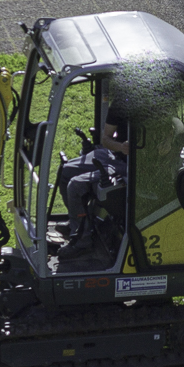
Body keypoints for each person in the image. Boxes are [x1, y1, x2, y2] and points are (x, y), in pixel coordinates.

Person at [56, 105, 129, 268]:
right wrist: (121, 147)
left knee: (75, 185)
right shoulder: (120, 105)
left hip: (131, 166)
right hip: (114, 155)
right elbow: (106, 139)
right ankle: (78, 223)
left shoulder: (152, 108)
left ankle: (82, 242)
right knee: (65, 171)